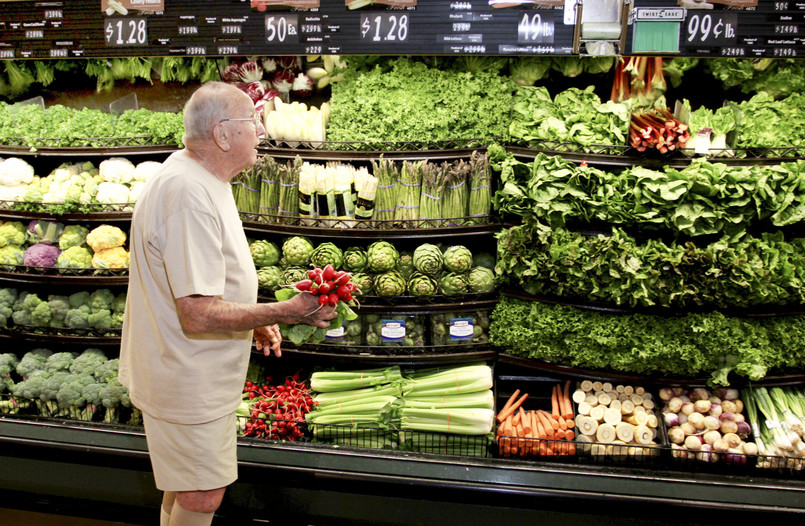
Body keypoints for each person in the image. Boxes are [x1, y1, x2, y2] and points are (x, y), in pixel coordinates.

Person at [118, 81, 336, 526]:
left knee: (184, 484)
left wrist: (249, 320)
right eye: (251, 122)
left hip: (185, 370)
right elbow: (196, 313)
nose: (261, 130)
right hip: (185, 379)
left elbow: (198, 283)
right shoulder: (188, 195)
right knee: (202, 493)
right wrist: (287, 310)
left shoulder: (199, 177)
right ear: (221, 134)